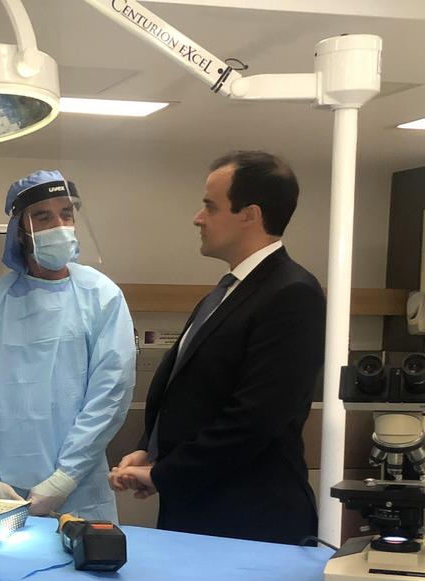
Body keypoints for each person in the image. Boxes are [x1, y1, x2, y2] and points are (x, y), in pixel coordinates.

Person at [109, 150, 325, 545]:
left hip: (250, 522)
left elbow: (253, 419)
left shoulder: (292, 293)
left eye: (210, 206)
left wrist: (164, 474)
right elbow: (192, 394)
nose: (198, 217)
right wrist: (150, 451)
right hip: (200, 510)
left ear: (250, 214)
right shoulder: (226, 293)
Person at [0, 170, 136, 522]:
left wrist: (64, 478)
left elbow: (110, 393)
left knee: (86, 570)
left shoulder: (101, 296)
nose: (59, 225)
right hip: (5, 498)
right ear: (20, 229)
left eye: (66, 213)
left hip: (81, 493)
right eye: (43, 216)